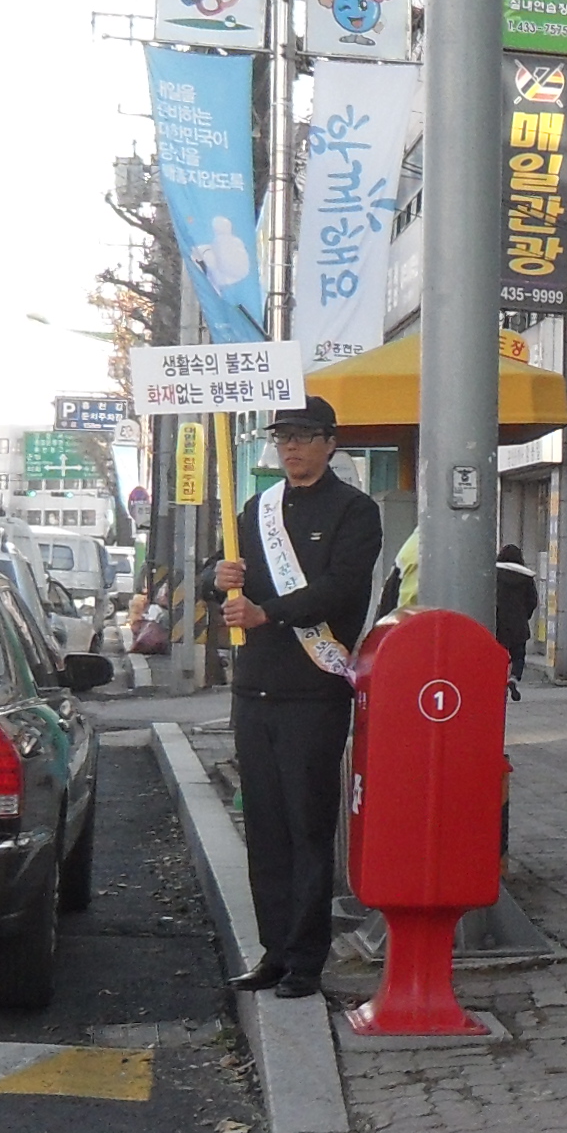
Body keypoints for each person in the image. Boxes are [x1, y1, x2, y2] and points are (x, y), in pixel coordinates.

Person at [212, 400, 385, 998]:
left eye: (305, 436)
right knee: (263, 827)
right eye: (284, 437)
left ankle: (307, 960)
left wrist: (268, 613)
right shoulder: (256, 510)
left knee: (307, 824)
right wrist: (218, 581)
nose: (291, 447)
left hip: (313, 691)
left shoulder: (355, 511)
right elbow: (222, 575)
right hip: (253, 689)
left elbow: (341, 589)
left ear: (330, 443)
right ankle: (274, 951)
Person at [493, 543, 542, 690]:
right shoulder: (526, 577)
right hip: (518, 624)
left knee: (497, 653)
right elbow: (532, 601)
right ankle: (513, 678)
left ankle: (496, 678)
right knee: (518, 655)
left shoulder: (494, 574)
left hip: (497, 622)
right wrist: (524, 616)